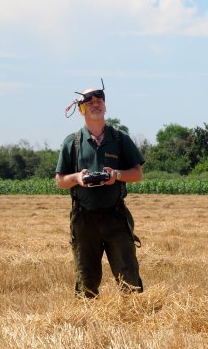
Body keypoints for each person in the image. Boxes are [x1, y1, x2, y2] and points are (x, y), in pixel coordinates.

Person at [55, 85, 144, 298]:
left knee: (129, 277)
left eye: (99, 101)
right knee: (86, 280)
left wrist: (116, 175)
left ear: (105, 106)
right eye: (90, 102)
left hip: (115, 215)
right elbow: (60, 181)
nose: (96, 104)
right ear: (81, 110)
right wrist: (77, 178)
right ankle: (88, 324)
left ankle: (135, 321)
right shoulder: (73, 142)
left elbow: (137, 174)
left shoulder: (120, 138)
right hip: (84, 218)